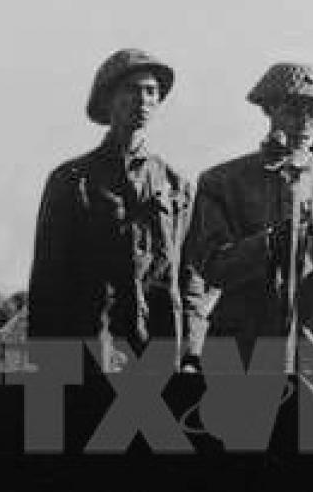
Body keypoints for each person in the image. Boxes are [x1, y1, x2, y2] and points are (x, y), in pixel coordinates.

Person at [181, 62, 313, 374]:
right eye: (292, 110)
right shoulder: (223, 182)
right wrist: (270, 244)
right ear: (268, 110)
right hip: (242, 348)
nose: (303, 123)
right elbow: (212, 266)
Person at [27, 49, 193, 370]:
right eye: (132, 89)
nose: (143, 100)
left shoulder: (177, 186)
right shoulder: (71, 180)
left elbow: (188, 277)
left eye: (151, 91)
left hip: (156, 350)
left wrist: (191, 352)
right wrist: (46, 358)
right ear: (108, 99)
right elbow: (48, 277)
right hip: (86, 347)